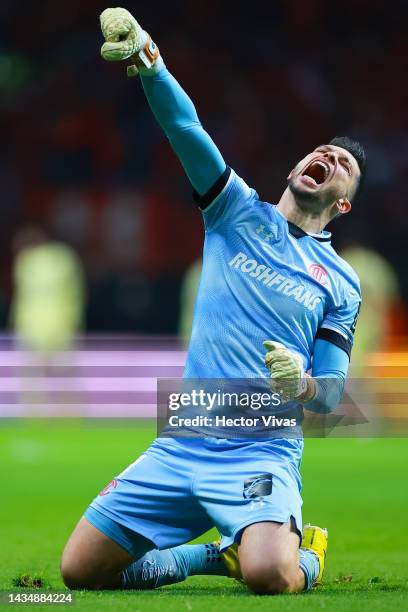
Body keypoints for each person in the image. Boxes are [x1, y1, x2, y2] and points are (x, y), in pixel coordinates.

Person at [61, 8, 364, 595]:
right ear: (296, 168)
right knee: (80, 572)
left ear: (343, 203)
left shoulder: (341, 282)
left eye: (345, 165)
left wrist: (300, 384)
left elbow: (329, 395)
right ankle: (209, 557)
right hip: (184, 437)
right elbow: (186, 130)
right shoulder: (234, 213)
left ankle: (306, 554)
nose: (329, 158)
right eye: (321, 152)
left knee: (272, 576)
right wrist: (150, 60)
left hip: (261, 448)